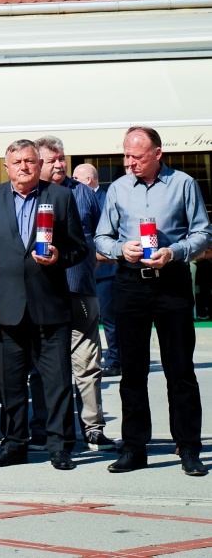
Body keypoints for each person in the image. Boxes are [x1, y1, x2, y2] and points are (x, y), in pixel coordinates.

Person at [95, 126, 212, 476]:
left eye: (137, 156)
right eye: (126, 155)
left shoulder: (183, 184)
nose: (129, 162)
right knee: (132, 370)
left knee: (180, 369)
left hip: (172, 281)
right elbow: (102, 236)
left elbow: (203, 232)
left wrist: (174, 251)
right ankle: (134, 447)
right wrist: (120, 249)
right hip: (130, 283)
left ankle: (188, 447)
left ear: (157, 154)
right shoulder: (116, 188)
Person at [0, 139, 87, 471]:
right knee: (11, 381)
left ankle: (59, 445)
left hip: (50, 305)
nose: (24, 166)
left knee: (58, 381)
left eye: (30, 161)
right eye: (17, 161)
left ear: (40, 164)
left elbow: (80, 248)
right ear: (6, 167)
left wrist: (59, 256)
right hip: (5, 306)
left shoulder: (60, 197)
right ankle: (14, 443)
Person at [28, 137, 114, 453]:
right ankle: (45, 429)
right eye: (52, 160)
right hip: (42, 294)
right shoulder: (29, 196)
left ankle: (93, 428)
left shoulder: (85, 195)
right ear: (37, 163)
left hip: (80, 289)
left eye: (62, 158)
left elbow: (105, 235)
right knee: (42, 367)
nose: (60, 164)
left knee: (88, 363)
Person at [72, 163, 121, 376]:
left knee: (109, 318)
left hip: (106, 271)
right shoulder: (72, 196)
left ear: (89, 180)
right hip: (84, 271)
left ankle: (115, 359)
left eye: (76, 177)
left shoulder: (106, 198)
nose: (72, 180)